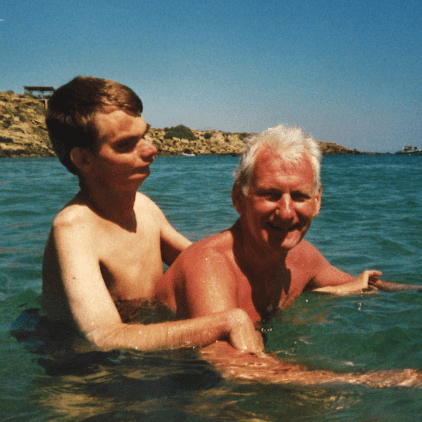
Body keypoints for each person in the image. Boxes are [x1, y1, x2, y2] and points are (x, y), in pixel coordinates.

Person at [155, 125, 422, 392]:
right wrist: (409, 380)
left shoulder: (301, 258)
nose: (286, 211)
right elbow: (231, 366)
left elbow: (362, 285)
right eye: (270, 194)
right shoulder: (210, 265)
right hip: (171, 381)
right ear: (239, 198)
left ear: (317, 202)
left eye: (300, 196)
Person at [40, 76, 263, 353]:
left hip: (143, 348)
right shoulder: (73, 229)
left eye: (144, 134)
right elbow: (102, 337)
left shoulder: (143, 207)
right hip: (89, 368)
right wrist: (225, 322)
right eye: (126, 144)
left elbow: (203, 260)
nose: (151, 148)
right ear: (84, 160)